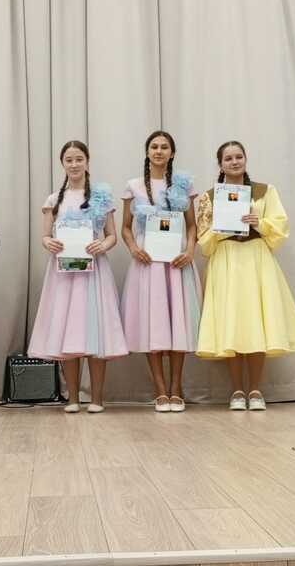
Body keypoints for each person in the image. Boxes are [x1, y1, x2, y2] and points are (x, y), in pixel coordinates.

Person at [196, 140, 295, 410]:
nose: (234, 162)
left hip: (256, 259)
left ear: (245, 159)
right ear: (220, 164)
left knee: (257, 321)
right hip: (226, 260)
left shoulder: (265, 191)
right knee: (232, 322)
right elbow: (203, 242)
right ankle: (237, 391)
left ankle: (256, 390)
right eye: (228, 158)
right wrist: (220, 228)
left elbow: (280, 227)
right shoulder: (209, 197)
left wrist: (259, 222)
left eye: (238, 156)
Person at [28, 141, 128, 413]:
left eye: (79, 159)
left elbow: (112, 236)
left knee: (96, 331)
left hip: (94, 272)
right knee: (67, 331)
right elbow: (45, 236)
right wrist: (49, 243)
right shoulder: (53, 200)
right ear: (62, 164)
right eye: (69, 160)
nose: (74, 164)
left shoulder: (101, 197)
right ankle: (72, 398)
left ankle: (97, 399)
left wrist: (102, 246)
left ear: (87, 161)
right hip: (63, 274)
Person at [120, 131, 202, 412]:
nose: (158, 151)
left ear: (172, 153)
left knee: (178, 322)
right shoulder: (133, 186)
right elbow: (125, 228)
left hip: (177, 261)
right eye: (154, 146)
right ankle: (160, 389)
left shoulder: (184, 184)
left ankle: (176, 388)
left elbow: (192, 225)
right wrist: (134, 248)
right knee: (152, 323)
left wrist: (189, 251)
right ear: (147, 151)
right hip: (148, 262)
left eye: (164, 147)